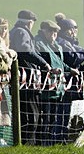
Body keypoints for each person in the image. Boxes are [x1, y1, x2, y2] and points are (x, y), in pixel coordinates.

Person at [10, 9, 54, 145]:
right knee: (31, 117)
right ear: (30, 23)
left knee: (28, 116)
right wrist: (44, 63)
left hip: (25, 80)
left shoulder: (16, 31)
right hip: (26, 81)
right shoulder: (22, 32)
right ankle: (27, 145)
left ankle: (25, 145)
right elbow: (25, 50)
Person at [34, 20, 79, 145]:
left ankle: (50, 144)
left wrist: (70, 70)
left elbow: (60, 62)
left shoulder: (56, 46)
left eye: (56, 31)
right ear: (43, 30)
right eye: (51, 31)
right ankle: (42, 145)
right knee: (45, 119)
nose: (54, 34)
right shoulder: (38, 44)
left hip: (58, 88)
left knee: (53, 119)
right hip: (45, 88)